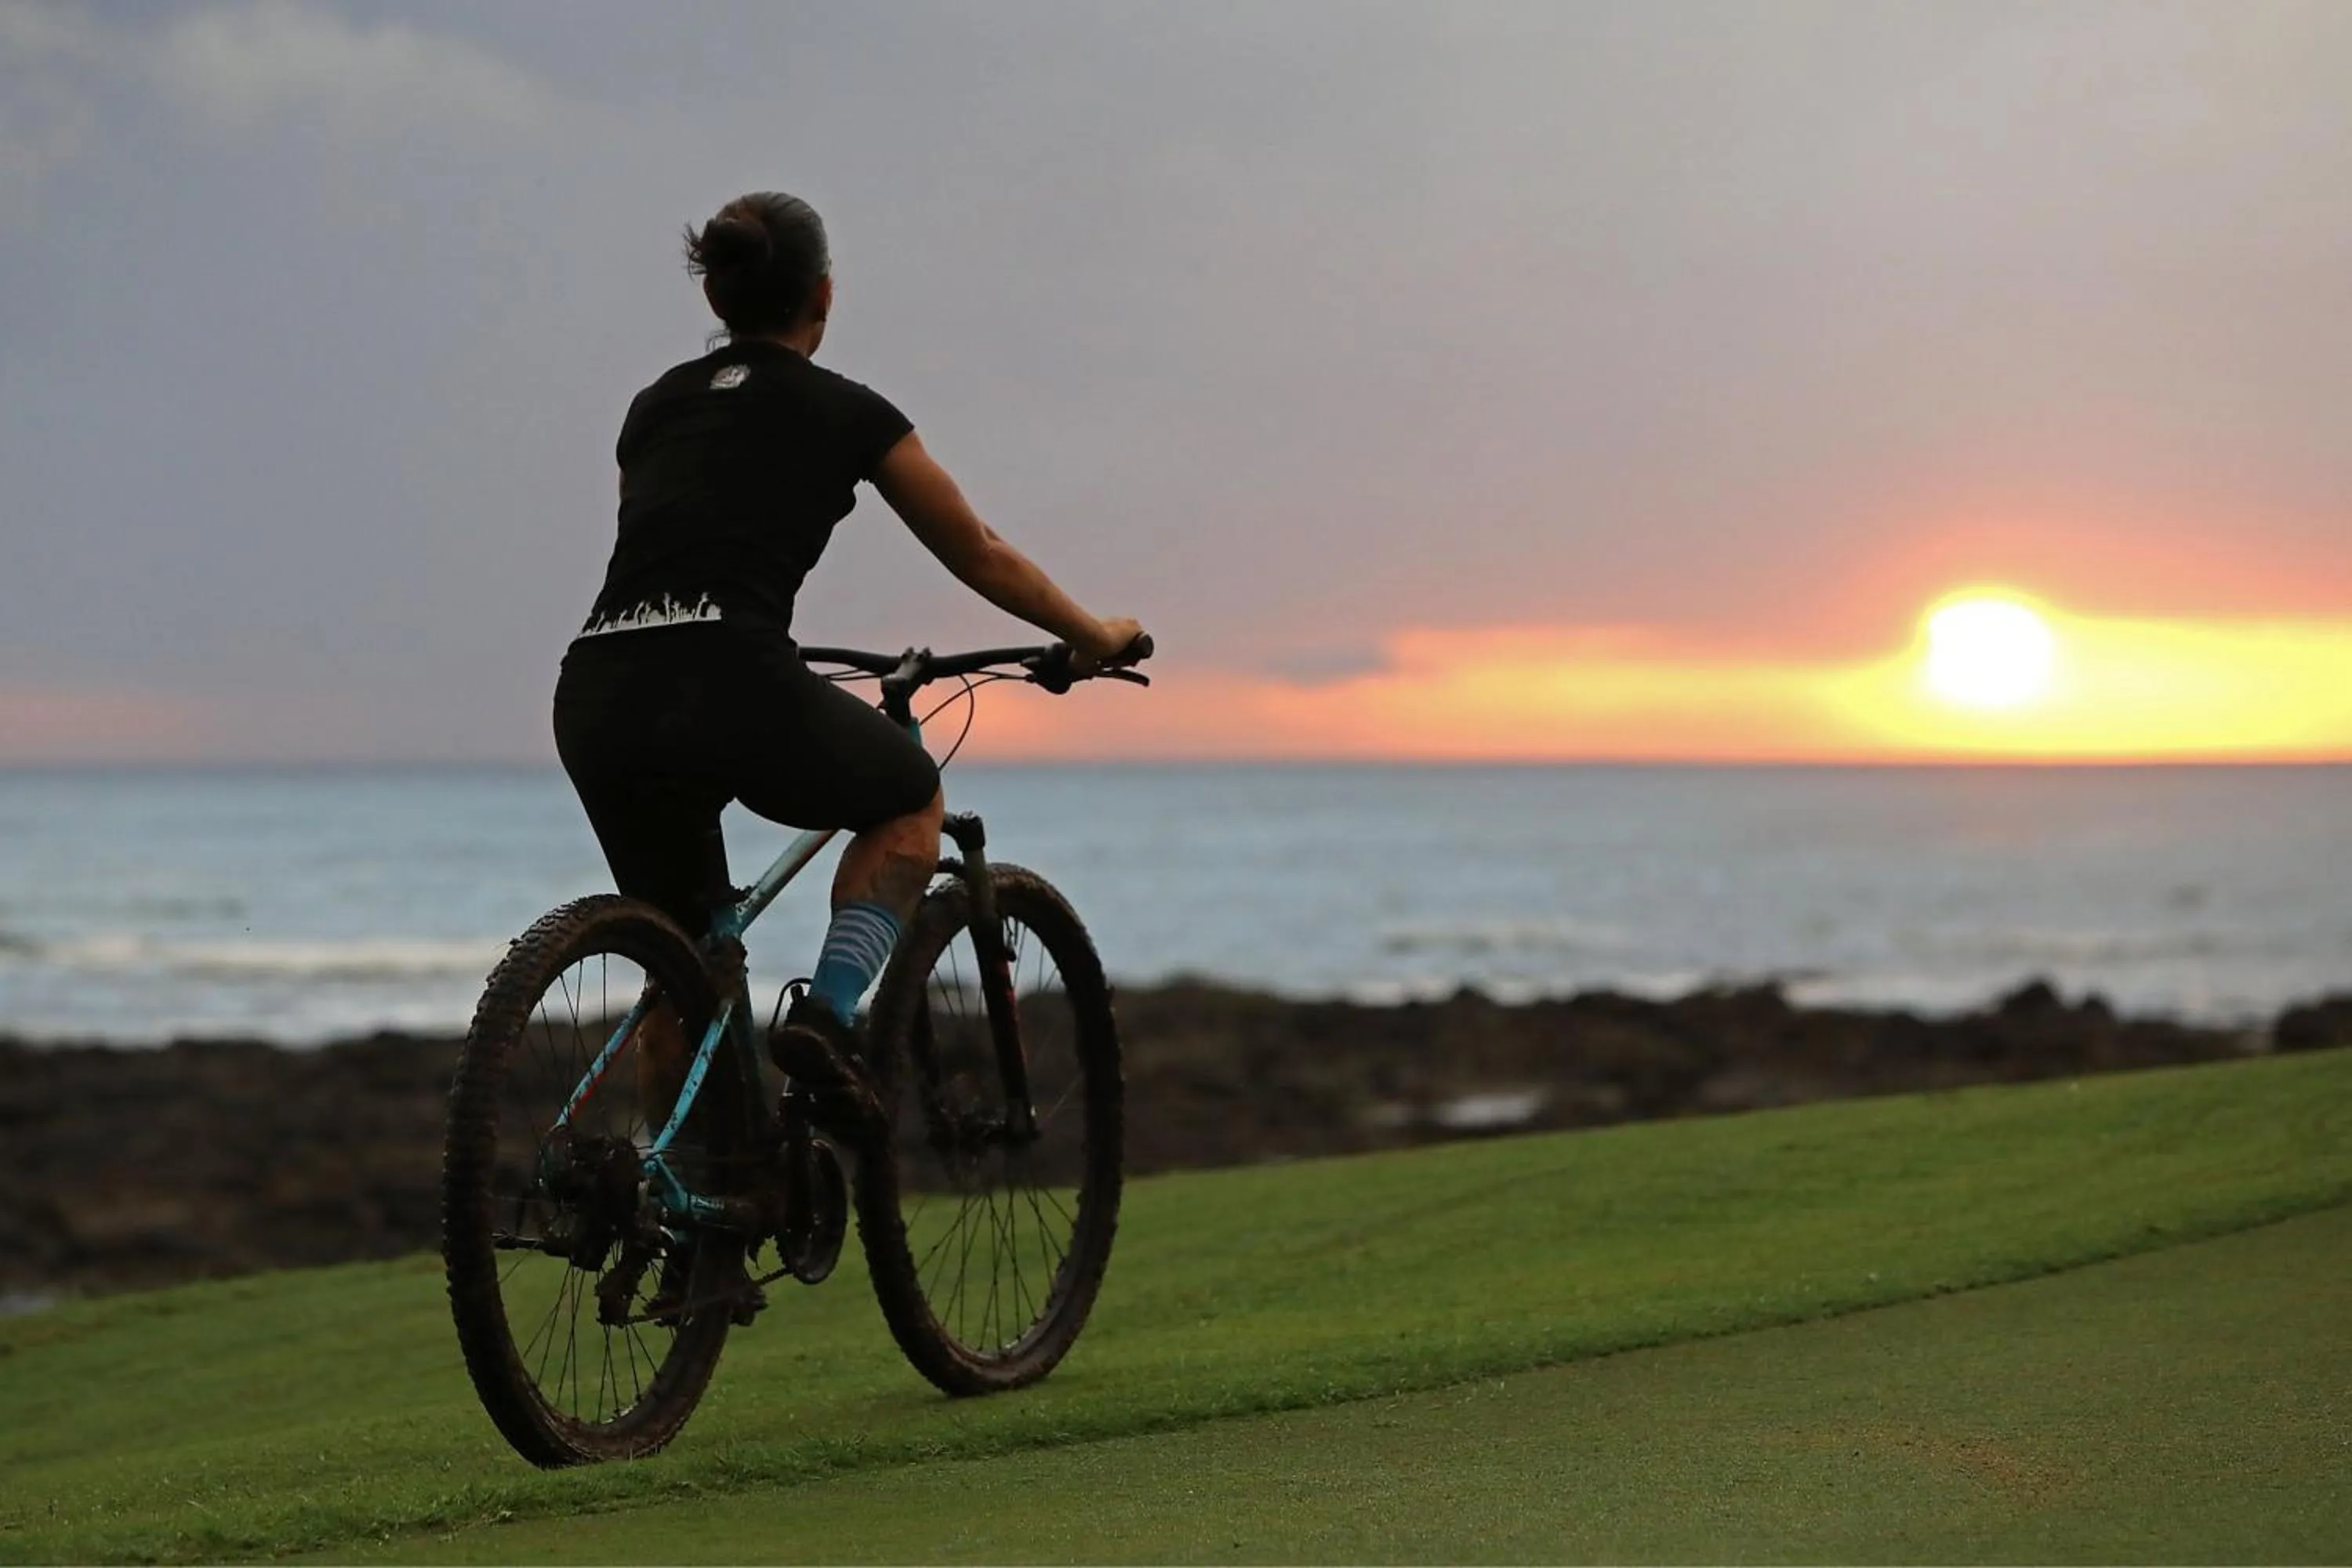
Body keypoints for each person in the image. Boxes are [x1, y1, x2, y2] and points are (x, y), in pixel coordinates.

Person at [554, 191, 1144, 1131]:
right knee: (909, 798)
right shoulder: (849, 413)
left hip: (596, 689)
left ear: (717, 294)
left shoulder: (652, 408)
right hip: (727, 676)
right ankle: (827, 1024)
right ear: (823, 294)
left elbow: (670, 538)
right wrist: (1090, 633)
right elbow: (978, 550)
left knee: (683, 956)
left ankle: (684, 1232)